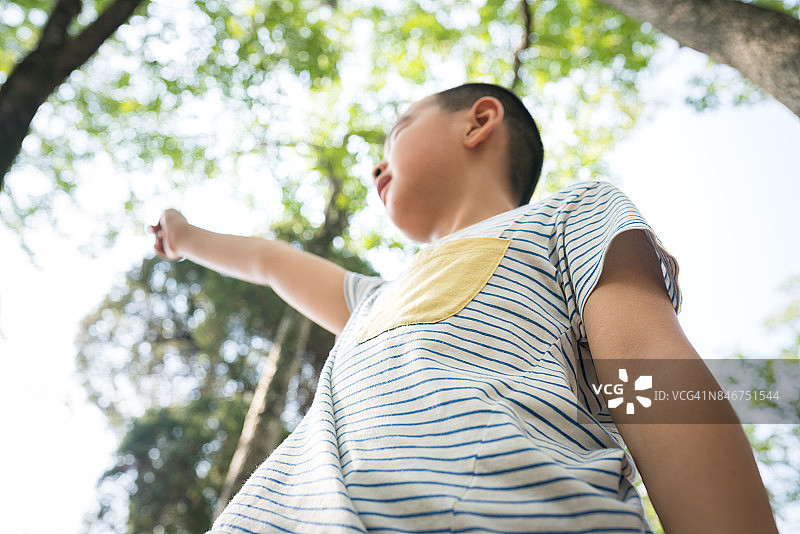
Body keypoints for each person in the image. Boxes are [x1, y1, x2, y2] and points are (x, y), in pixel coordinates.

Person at [151, 83, 777, 533]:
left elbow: (649, 373)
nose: (376, 164)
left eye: (395, 133)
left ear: (479, 121)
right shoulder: (376, 299)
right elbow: (270, 261)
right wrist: (186, 238)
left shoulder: (566, 218)